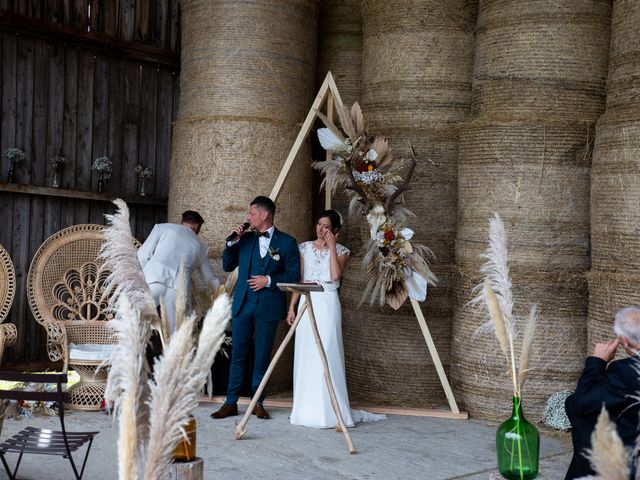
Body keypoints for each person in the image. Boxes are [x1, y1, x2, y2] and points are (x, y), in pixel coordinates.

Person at [287, 210, 382, 428]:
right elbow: (299, 280)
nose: (321, 230)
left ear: (335, 231)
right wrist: (292, 307)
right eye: (319, 224)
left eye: (326, 226)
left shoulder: (341, 251)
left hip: (327, 302)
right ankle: (304, 410)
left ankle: (331, 410)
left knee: (328, 351)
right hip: (306, 300)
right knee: (306, 351)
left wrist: (331, 248)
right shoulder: (303, 248)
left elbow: (334, 276)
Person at [211, 196, 300, 420]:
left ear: (264, 215)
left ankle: (258, 401)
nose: (247, 217)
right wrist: (232, 242)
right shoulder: (245, 239)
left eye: (251, 213)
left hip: (268, 306)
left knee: (262, 356)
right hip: (243, 305)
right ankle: (230, 402)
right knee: (238, 355)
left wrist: (268, 280)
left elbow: (293, 276)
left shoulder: (287, 242)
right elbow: (227, 265)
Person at [565, 306, 640, 479]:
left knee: (577, 407)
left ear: (624, 341)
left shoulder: (625, 371)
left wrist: (596, 362)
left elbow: (582, 405)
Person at [137, 210, 220, 334]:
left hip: (153, 278)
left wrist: (145, 276)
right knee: (175, 334)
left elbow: (142, 255)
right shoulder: (201, 247)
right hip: (179, 287)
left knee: (138, 323)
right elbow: (210, 279)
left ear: (182, 222)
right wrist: (222, 296)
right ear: (197, 227)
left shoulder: (161, 228)